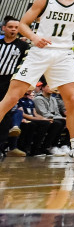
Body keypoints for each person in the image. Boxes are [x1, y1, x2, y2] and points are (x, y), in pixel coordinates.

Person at [0, 0, 74, 164]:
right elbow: (23, 24)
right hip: (40, 51)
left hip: (64, 54)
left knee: (72, 100)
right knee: (12, 97)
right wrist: (34, 37)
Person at [0, 16, 29, 149]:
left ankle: (1, 146)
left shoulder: (23, 46)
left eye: (16, 27)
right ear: (3, 28)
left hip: (9, 83)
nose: (13, 29)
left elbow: (25, 66)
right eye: (10, 27)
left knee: (4, 113)